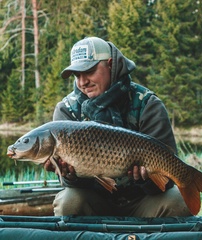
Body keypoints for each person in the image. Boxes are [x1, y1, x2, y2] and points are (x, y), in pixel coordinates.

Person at [44, 36, 191, 217]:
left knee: (177, 201)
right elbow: (70, 185)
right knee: (69, 201)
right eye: (77, 75)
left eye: (89, 71)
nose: (82, 82)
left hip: (143, 200)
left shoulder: (147, 104)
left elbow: (167, 180)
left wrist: (145, 179)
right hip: (95, 199)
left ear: (110, 64)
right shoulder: (67, 111)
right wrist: (69, 176)